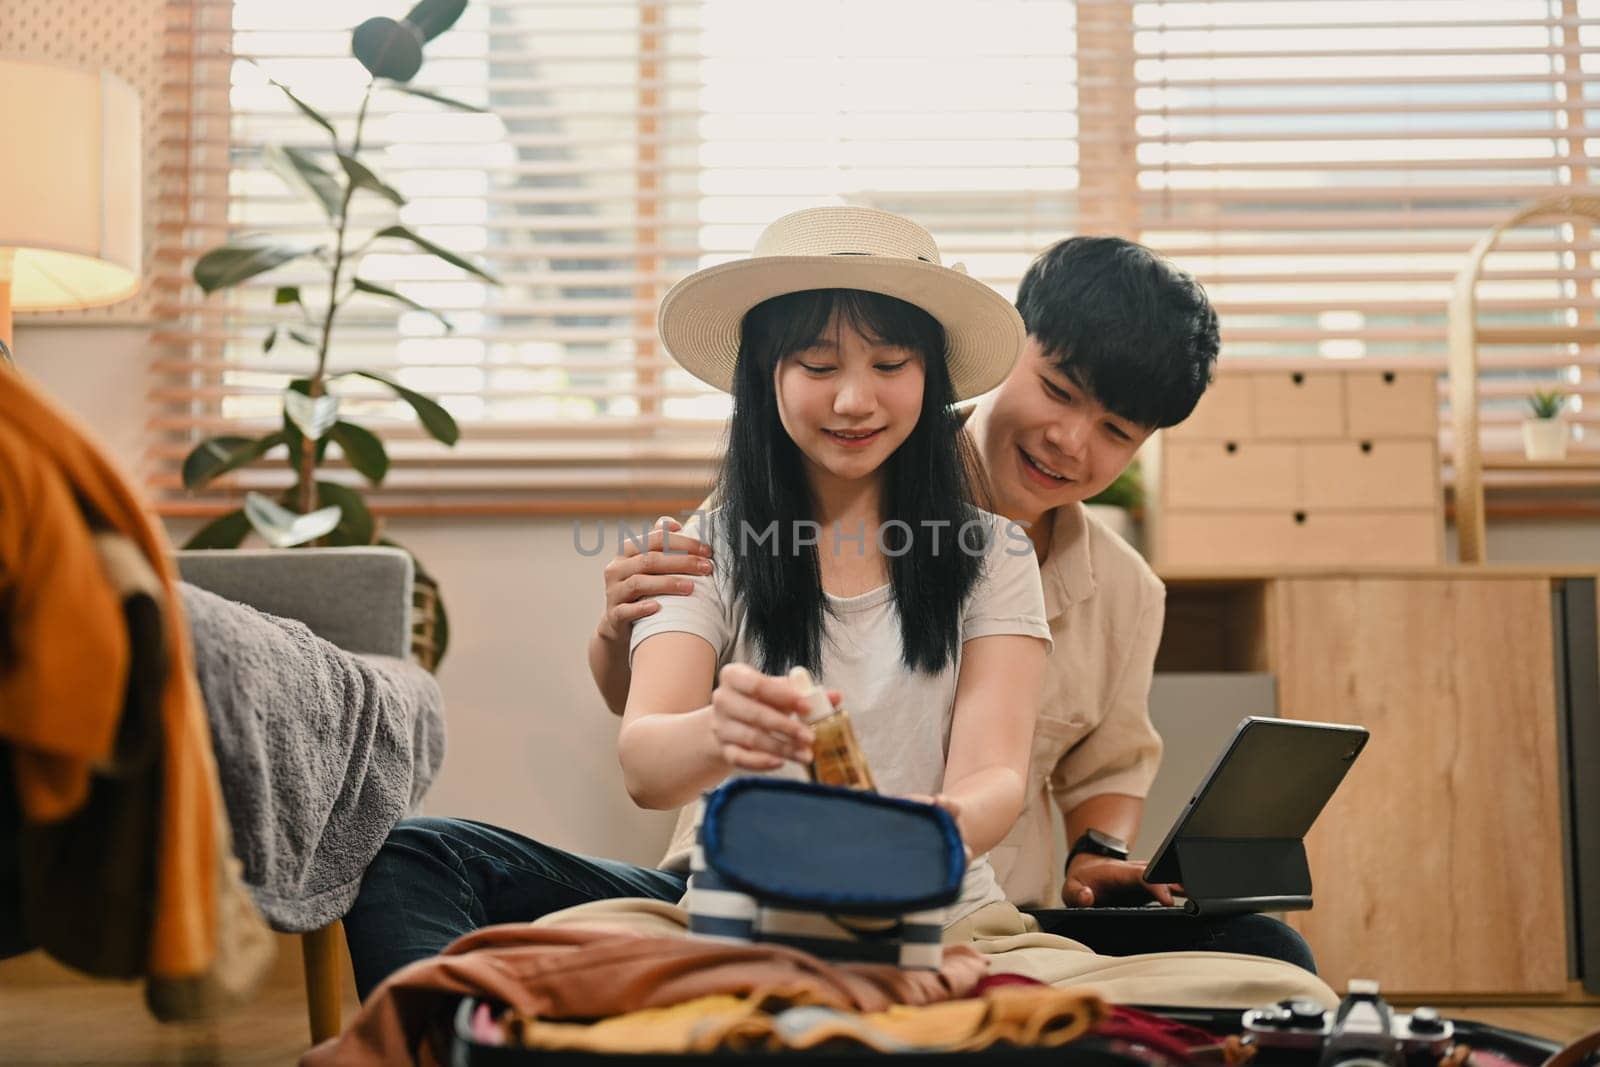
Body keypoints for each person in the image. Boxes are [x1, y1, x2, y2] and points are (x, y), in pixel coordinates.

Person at [342, 206, 1051, 997]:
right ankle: (437, 1042)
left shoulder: (995, 554)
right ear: (764, 375)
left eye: (890, 363)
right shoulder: (702, 546)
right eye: (817, 365)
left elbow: (994, 774)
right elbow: (646, 760)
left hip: (939, 914)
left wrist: (915, 842)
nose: (855, 398)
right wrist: (722, 730)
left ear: (931, 373)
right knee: (411, 854)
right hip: (729, 908)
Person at [590, 235, 1318, 969]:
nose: (1068, 440)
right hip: (741, 876)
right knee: (488, 870)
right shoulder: (798, 484)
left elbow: (1103, 769)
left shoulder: (1104, 587)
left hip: (982, 905)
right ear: (1006, 350)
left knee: (1265, 947)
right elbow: (653, 716)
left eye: (1116, 432)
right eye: (1059, 391)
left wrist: (1095, 854)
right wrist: (619, 637)